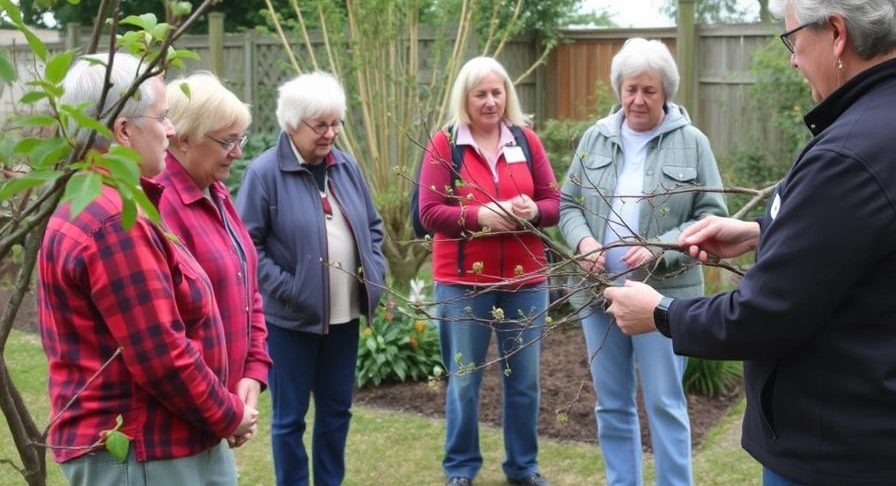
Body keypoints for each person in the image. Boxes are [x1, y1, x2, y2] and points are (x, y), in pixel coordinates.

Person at [603, 0, 896, 486]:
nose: (792, 61)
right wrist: (763, 229)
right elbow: (878, 238)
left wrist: (661, 314)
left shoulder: (854, 152)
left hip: (842, 452)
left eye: (792, 39)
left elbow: (763, 317)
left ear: (836, 32)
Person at [37, 52, 258, 486]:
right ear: (123, 130)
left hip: (164, 444)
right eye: (163, 117)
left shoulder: (108, 201)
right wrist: (229, 414)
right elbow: (161, 354)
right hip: (144, 450)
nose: (172, 131)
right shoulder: (112, 221)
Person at [558, 37, 727, 486]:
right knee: (611, 404)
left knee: (665, 404)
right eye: (630, 88)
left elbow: (712, 215)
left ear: (665, 92)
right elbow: (567, 204)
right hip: (600, 295)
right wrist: (585, 244)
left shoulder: (692, 143)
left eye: (649, 90)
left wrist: (660, 247)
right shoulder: (596, 138)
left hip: (664, 299)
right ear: (619, 89)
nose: (638, 100)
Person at [236, 70, 387, 486]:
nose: (330, 133)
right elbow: (248, 247)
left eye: (335, 123)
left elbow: (373, 227)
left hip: (344, 319)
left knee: (337, 413)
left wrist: (374, 269)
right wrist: (290, 291)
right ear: (291, 124)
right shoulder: (264, 173)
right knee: (289, 420)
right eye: (320, 125)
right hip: (290, 324)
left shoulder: (346, 167)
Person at [417, 56, 560, 486]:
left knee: (524, 381)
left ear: (507, 96)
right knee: (464, 380)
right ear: (465, 98)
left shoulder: (526, 141)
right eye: (480, 94)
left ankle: (523, 467)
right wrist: (479, 216)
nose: (490, 101)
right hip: (464, 283)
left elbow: (556, 203)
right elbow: (428, 212)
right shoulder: (445, 144)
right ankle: (460, 468)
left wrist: (534, 209)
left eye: (497, 92)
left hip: (525, 280)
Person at [155, 72, 272, 450]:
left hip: (219, 411)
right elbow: (169, 333)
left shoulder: (217, 192)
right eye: (227, 140)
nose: (238, 152)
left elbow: (247, 287)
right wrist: (224, 411)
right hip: (183, 422)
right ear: (183, 140)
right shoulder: (162, 207)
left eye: (241, 138)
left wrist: (252, 374)